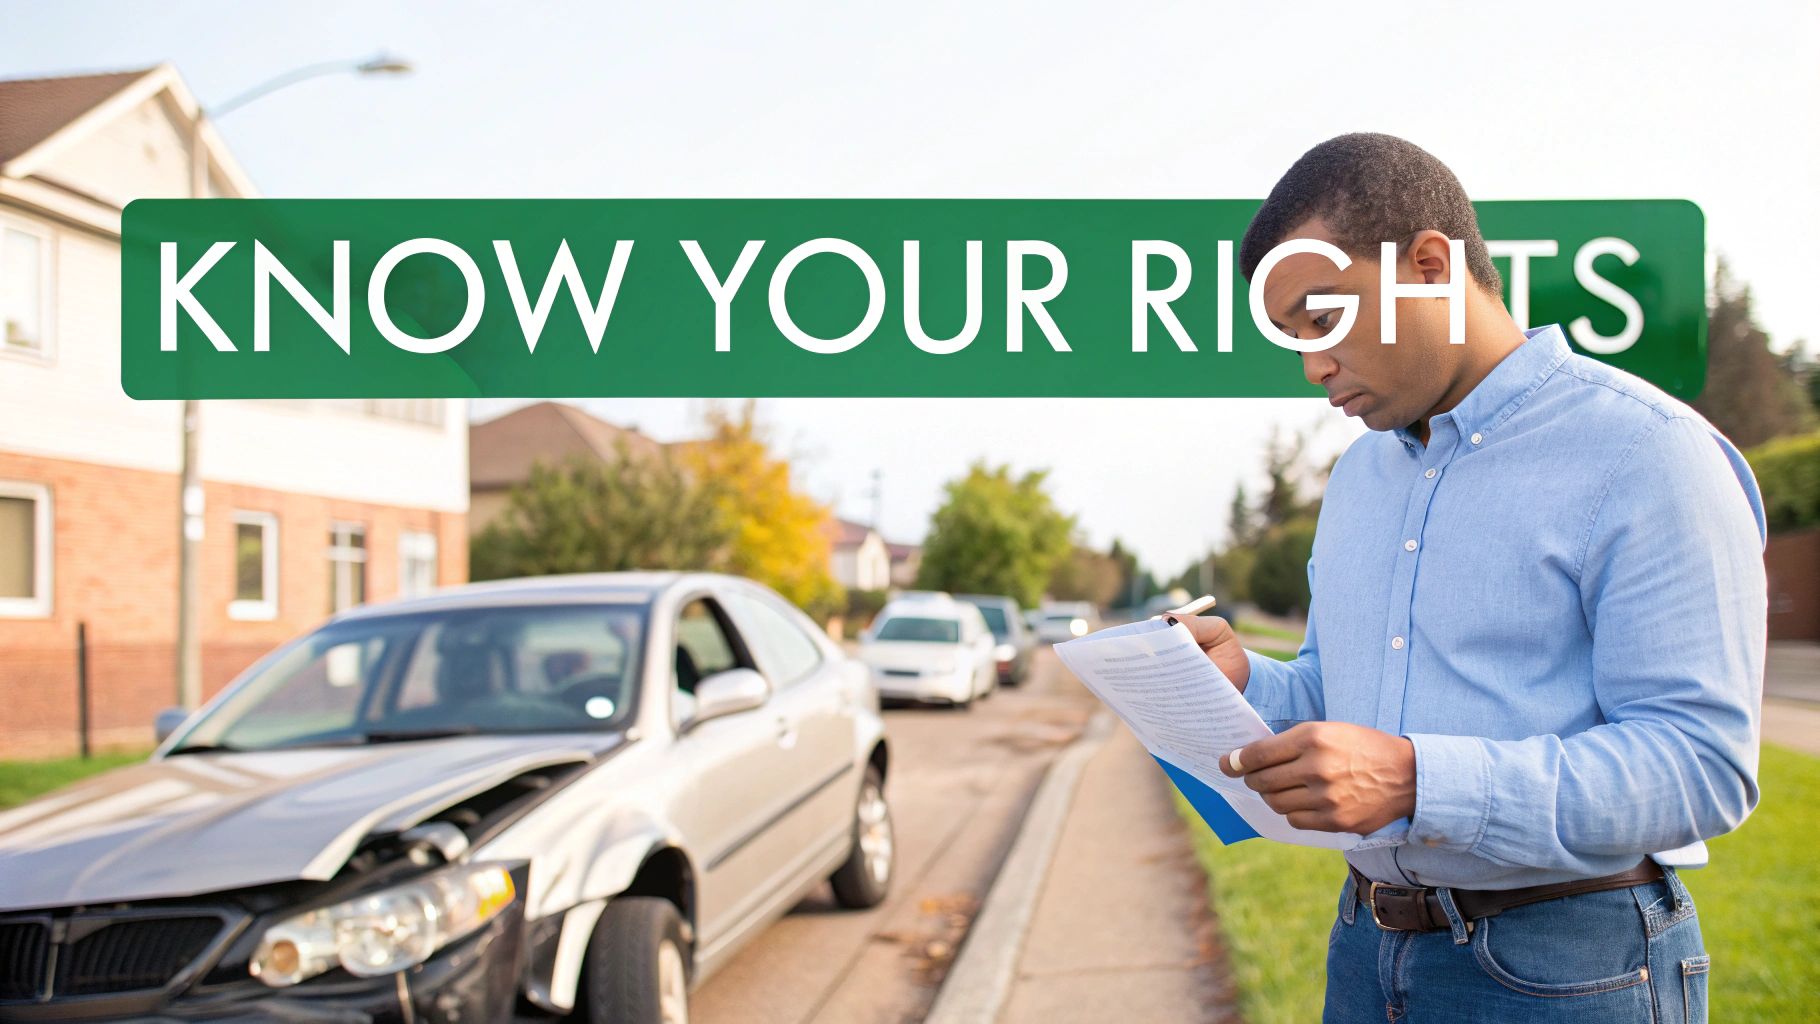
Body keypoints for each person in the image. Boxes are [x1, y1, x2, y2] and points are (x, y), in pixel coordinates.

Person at [1170, 133, 1765, 1023]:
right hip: (1364, 948)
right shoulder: (1359, 478)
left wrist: (1417, 781)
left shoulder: (1648, 452)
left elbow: (1703, 765)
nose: (1313, 366)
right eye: (1294, 337)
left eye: (1326, 317)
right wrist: (1247, 682)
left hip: (1570, 970)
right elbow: (1344, 698)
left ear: (1429, 263)